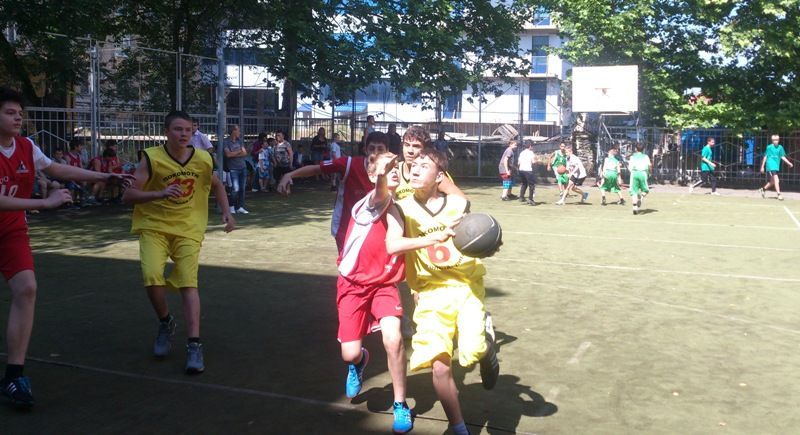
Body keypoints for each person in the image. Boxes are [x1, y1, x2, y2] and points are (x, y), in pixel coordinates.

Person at [0, 87, 134, 408]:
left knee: (27, 289)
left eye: (20, 113)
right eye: (9, 112)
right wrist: (44, 203)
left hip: (11, 232)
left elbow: (56, 169)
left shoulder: (26, 146)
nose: (18, 118)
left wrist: (103, 175)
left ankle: (14, 375)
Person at [385, 149, 499, 435]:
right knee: (439, 366)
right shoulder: (400, 207)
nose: (415, 168)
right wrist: (431, 238)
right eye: (414, 164)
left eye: (425, 165)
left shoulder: (458, 204)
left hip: (465, 286)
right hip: (430, 292)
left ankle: (486, 343)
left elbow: (478, 235)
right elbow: (392, 246)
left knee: (471, 352)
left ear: (439, 176)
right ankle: (458, 427)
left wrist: (489, 244)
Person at [122, 110, 235, 375]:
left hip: (188, 228)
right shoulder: (151, 158)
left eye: (188, 130)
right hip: (154, 226)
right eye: (178, 129)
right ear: (166, 132)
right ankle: (166, 321)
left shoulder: (203, 159)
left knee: (188, 282)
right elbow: (128, 195)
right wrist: (160, 193)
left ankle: (194, 344)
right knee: (151, 276)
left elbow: (217, 185)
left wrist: (227, 212)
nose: (184, 134)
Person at [335, 152, 413, 433]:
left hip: (383, 284)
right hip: (352, 285)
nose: (393, 171)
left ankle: (401, 404)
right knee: (349, 353)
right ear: (372, 176)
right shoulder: (369, 203)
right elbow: (381, 192)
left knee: (394, 340)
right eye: (386, 168)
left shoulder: (399, 207)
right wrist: (382, 173)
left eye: (395, 167)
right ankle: (359, 362)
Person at [278, 132, 387, 252]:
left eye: (380, 149)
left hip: (377, 229)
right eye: (372, 148)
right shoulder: (349, 164)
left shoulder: (392, 172)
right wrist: (290, 175)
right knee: (349, 263)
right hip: (346, 228)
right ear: (365, 150)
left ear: (387, 151)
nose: (375, 153)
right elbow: (316, 169)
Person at [758, 134, 794, 201]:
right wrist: (762, 166)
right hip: (770, 165)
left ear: (779, 140)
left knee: (772, 181)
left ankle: (763, 189)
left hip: (776, 166)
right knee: (776, 180)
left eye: (777, 140)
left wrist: (789, 163)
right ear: (772, 140)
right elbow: (765, 157)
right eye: (774, 140)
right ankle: (779, 194)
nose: (775, 141)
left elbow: (782, 156)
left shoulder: (780, 147)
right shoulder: (769, 147)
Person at [224, 124, 249, 214]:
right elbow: (228, 154)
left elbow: (244, 153)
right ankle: (232, 206)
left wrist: (234, 153)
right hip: (233, 168)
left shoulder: (240, 141)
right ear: (233, 131)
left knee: (242, 188)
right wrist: (239, 152)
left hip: (243, 167)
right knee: (235, 189)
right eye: (238, 130)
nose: (239, 132)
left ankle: (240, 207)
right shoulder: (226, 142)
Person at [628, 142, 652, 215]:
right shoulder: (646, 157)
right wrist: (650, 172)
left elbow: (630, 167)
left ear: (636, 149)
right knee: (645, 190)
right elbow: (649, 165)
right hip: (643, 173)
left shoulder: (632, 157)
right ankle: (641, 197)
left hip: (634, 173)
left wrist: (632, 172)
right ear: (643, 149)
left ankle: (634, 207)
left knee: (633, 191)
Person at [516, 139, 537, 206]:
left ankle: (521, 197)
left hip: (521, 170)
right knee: (531, 185)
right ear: (530, 146)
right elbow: (533, 162)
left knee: (524, 183)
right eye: (532, 145)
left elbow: (518, 162)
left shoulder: (522, 152)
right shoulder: (531, 153)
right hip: (528, 170)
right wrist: (537, 161)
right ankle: (530, 199)